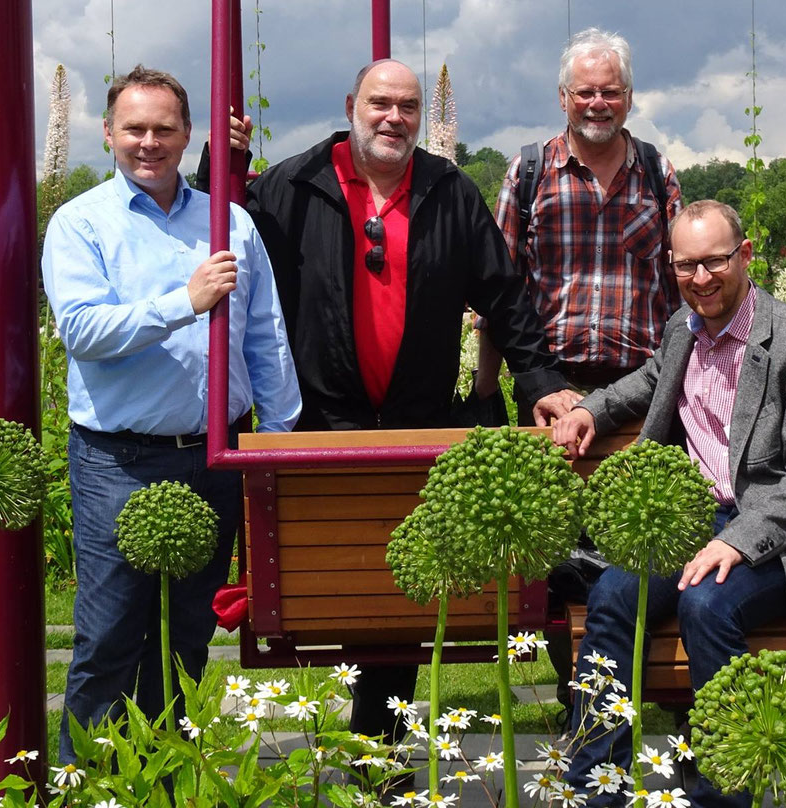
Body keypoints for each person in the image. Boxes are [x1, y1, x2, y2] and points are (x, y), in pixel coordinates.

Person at [202, 58, 568, 745]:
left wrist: (543, 385)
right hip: (318, 428)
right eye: (380, 103)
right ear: (351, 105)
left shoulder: (448, 191)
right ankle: (334, 747)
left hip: (412, 429)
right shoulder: (293, 185)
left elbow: (504, 298)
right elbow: (219, 237)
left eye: (406, 106)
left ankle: (380, 755)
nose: (393, 117)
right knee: (322, 588)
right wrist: (218, 166)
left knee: (397, 601)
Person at [547, 200, 786, 808]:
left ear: (744, 256)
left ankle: (725, 793)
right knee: (611, 594)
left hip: (785, 534)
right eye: (686, 265)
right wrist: (589, 409)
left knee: (706, 604)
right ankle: (595, 787)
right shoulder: (681, 330)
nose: (701, 278)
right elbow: (646, 382)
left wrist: (737, 541)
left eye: (715, 261)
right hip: (695, 519)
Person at [42, 65, 302, 761]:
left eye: (163, 129)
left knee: (187, 637)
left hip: (215, 456)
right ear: (107, 134)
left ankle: (162, 779)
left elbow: (265, 336)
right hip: (119, 461)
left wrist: (273, 444)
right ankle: (88, 785)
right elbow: (83, 333)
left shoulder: (230, 223)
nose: (149, 143)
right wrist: (181, 303)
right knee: (110, 635)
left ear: (188, 135)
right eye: (134, 129)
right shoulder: (81, 224)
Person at [477, 27, 682, 422]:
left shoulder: (657, 174)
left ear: (629, 98)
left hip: (639, 385)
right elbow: (500, 291)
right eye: (585, 93)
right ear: (562, 98)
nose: (598, 104)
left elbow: (679, 287)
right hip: (549, 385)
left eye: (611, 92)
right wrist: (486, 388)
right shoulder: (528, 174)